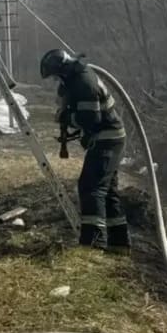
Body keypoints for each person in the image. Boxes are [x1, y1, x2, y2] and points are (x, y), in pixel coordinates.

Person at [40, 48, 130, 251]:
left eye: (56, 76)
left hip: (107, 139)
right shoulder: (78, 77)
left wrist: (67, 118)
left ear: (63, 70)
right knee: (107, 191)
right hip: (110, 138)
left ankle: (93, 242)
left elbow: (90, 119)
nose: (57, 81)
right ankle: (119, 243)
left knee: (91, 187)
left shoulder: (84, 82)